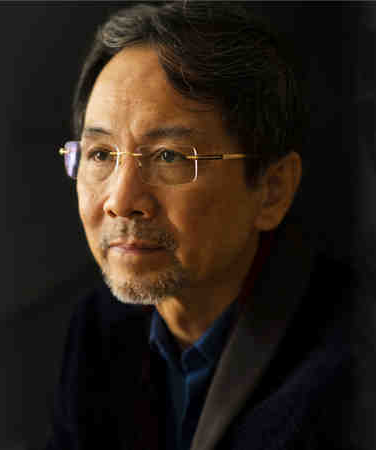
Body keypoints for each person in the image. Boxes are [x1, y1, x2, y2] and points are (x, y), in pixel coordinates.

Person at [47, 2, 358, 449]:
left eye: (169, 157)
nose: (120, 201)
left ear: (272, 189)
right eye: (101, 154)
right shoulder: (99, 330)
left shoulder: (349, 370)